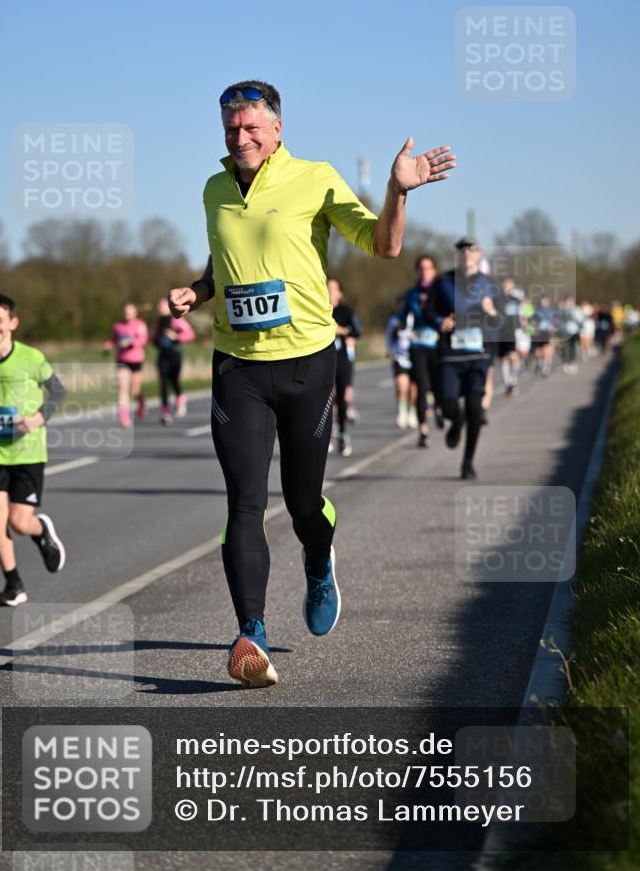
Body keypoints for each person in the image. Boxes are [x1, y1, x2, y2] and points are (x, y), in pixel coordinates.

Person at [168, 80, 455, 688]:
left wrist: (396, 192)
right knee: (244, 499)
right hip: (236, 366)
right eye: (230, 128)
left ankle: (319, 559)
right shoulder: (214, 189)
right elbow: (224, 263)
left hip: (306, 363)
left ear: (276, 128)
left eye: (250, 127)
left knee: (302, 502)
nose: (239, 137)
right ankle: (252, 633)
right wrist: (197, 290)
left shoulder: (316, 177)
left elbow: (384, 244)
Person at [0, 293, 67, 606]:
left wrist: (38, 418)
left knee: (18, 522)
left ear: (12, 323)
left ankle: (39, 528)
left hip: (28, 452)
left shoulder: (30, 357)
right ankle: (13, 584)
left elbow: (58, 391)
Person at [426, 237, 497, 479]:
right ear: (457, 255)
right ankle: (456, 420)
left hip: (478, 355)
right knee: (447, 406)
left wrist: (492, 311)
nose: (467, 253)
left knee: (476, 409)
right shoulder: (443, 282)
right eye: (462, 250)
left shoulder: (489, 285)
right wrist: (439, 321)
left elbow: (502, 322)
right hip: (450, 355)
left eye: (472, 250)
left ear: (480, 255)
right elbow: (429, 313)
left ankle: (468, 463)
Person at [401, 255, 442, 447]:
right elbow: (403, 317)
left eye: (429, 268)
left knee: (437, 385)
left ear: (434, 271)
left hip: (436, 344)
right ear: (417, 271)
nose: (425, 272)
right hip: (417, 345)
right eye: (422, 268)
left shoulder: (441, 292)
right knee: (420, 386)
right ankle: (423, 429)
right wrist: (400, 326)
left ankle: (440, 408)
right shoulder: (411, 294)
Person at [327, 278, 361, 457]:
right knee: (326, 399)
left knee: (341, 399)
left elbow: (357, 330)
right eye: (327, 288)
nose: (330, 292)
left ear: (340, 293)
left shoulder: (346, 311)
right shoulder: (319, 310)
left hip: (342, 360)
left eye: (333, 289)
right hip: (324, 360)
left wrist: (342, 331)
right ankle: (327, 436)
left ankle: (342, 434)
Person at [102, 303, 149, 428]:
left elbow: (143, 340)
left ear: (135, 313)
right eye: (125, 311)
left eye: (129, 311)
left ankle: (141, 404)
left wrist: (130, 343)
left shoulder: (140, 325)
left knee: (135, 390)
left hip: (136, 360)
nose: (127, 314)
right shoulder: (117, 326)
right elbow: (114, 340)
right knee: (122, 389)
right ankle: (124, 417)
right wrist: (108, 345)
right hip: (122, 360)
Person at [152, 298, 196, 425]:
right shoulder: (158, 322)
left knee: (174, 381)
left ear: (168, 306)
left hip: (175, 355)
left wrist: (176, 336)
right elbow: (155, 339)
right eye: (158, 306)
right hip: (162, 356)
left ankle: (180, 399)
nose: (159, 308)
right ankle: (164, 412)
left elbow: (190, 334)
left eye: (161, 305)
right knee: (163, 383)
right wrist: (156, 341)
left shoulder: (176, 319)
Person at [385, 295, 414, 428]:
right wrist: (388, 349)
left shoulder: (415, 319)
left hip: (414, 356)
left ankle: (412, 411)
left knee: (413, 388)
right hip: (399, 357)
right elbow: (389, 336)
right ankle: (402, 411)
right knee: (402, 385)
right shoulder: (394, 320)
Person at [498, 275, 524, 396]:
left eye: (510, 283)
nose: (508, 286)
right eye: (506, 283)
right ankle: (507, 384)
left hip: (514, 330)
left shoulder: (516, 299)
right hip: (502, 331)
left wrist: (524, 325)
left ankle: (513, 381)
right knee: (503, 358)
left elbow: (521, 314)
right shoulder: (497, 298)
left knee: (515, 356)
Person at [530, 295, 556, 376]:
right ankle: (540, 361)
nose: (544, 302)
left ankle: (546, 368)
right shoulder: (536, 310)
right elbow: (532, 321)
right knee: (538, 351)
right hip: (538, 333)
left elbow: (556, 322)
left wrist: (554, 329)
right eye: (543, 300)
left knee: (548, 350)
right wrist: (534, 329)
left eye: (546, 300)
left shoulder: (552, 311)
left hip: (548, 333)